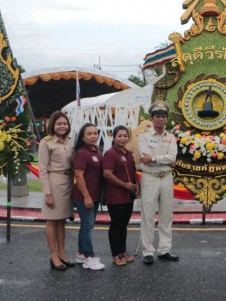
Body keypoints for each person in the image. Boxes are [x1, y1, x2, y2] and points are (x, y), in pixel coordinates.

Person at [138, 100, 178, 266]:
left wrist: (154, 158)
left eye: (163, 116)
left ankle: (164, 249)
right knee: (148, 216)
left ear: (166, 119)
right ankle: (147, 251)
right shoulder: (144, 137)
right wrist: (164, 160)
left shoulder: (171, 137)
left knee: (166, 216)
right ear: (152, 118)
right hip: (150, 178)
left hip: (166, 178)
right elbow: (144, 158)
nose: (160, 119)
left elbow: (172, 158)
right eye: (157, 117)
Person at [38, 111, 75, 271]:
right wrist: (48, 193)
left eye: (65, 124)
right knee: (52, 221)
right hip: (54, 184)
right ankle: (53, 256)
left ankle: (62, 253)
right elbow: (43, 169)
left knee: (62, 221)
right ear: (52, 125)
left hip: (67, 183)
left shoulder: (70, 141)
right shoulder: (46, 143)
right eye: (59, 124)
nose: (62, 126)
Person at [103, 125, 139, 266]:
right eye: (120, 136)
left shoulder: (128, 153)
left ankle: (123, 251)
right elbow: (107, 174)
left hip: (128, 195)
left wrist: (137, 184)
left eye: (125, 136)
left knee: (124, 224)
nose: (123, 138)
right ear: (114, 137)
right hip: (116, 194)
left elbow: (132, 171)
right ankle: (115, 254)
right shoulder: (111, 153)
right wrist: (124, 185)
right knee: (116, 225)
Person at [72, 123, 105, 270]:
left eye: (95, 133)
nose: (93, 136)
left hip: (95, 194)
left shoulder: (96, 149)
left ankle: (80, 253)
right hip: (84, 195)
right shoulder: (82, 153)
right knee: (87, 225)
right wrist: (86, 196)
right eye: (89, 134)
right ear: (83, 137)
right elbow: (78, 176)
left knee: (86, 225)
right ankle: (89, 257)